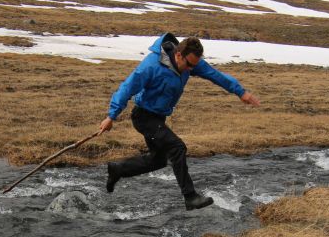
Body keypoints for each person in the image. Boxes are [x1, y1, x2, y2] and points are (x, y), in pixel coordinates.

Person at [99, 33, 260, 210]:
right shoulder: (152, 65)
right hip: (144, 117)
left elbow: (216, 75)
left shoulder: (190, 63)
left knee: (158, 161)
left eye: (195, 66)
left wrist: (241, 92)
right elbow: (127, 87)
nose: (191, 69)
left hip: (158, 118)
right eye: (189, 65)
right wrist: (111, 116)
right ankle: (190, 196)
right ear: (178, 55)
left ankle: (118, 169)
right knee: (177, 147)